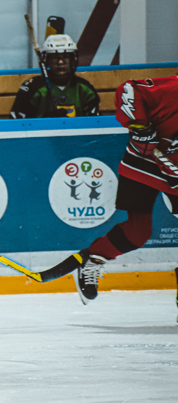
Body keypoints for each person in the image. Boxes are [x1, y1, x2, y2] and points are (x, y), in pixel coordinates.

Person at [56, 76, 178, 318]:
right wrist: (141, 127)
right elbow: (129, 89)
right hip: (143, 162)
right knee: (138, 232)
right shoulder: (173, 89)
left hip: (173, 170)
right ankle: (93, 259)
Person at [11, 34, 100, 119]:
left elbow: (95, 124)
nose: (60, 62)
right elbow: (17, 123)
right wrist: (47, 122)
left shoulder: (84, 89)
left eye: (65, 57)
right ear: (47, 61)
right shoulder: (31, 89)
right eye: (55, 57)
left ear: (73, 60)